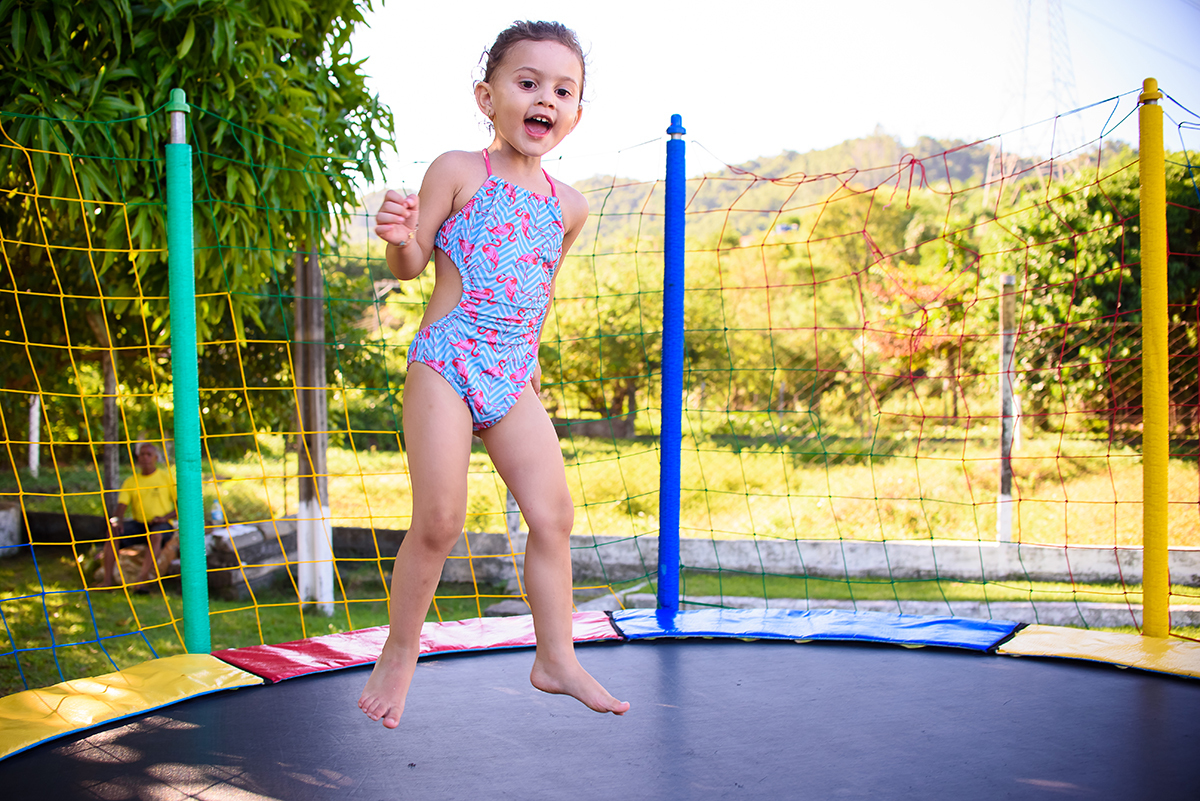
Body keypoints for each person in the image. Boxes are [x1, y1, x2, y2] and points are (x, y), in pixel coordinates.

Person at [358, 20, 630, 728]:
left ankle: (556, 657)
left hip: (510, 377)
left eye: (562, 90)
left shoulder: (568, 206)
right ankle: (400, 647)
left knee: (554, 515)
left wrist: (529, 357)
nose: (545, 98)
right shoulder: (457, 170)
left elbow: (539, 287)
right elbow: (412, 262)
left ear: (576, 113)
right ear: (488, 97)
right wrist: (395, 238)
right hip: (446, 362)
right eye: (528, 83)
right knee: (441, 520)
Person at [101, 443, 178, 590]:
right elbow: (121, 507)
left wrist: (164, 517)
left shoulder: (166, 478)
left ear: (155, 457)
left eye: (149, 454)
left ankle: (142, 580)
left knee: (155, 535)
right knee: (112, 533)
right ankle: (107, 581)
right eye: (142, 454)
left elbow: (181, 505)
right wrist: (116, 522)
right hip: (139, 524)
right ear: (137, 458)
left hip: (161, 524)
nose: (145, 458)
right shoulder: (131, 481)